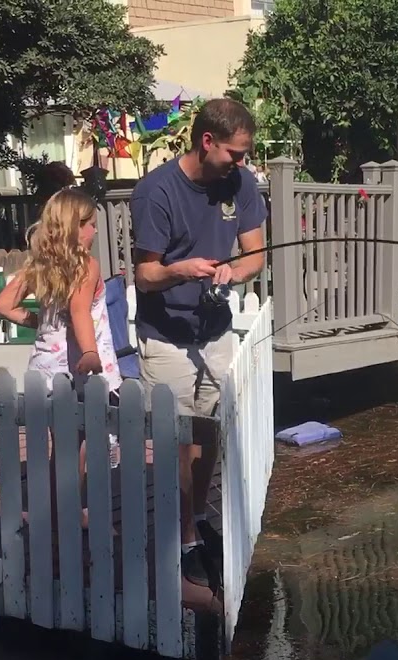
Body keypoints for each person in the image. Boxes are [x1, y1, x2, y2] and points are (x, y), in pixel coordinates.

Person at [129, 98, 267, 590]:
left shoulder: (242, 183)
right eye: (234, 154)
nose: (242, 164)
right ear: (207, 142)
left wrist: (234, 269)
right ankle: (184, 535)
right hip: (166, 336)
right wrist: (178, 271)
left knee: (208, 434)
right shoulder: (156, 192)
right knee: (175, 442)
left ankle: (196, 518)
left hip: (215, 332)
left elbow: (257, 256)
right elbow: (144, 276)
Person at [0, 187, 123, 527]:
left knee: (62, 447)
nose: (95, 231)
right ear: (74, 226)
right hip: (79, 367)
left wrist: (38, 322)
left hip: (46, 370)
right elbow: (81, 311)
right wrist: (92, 352)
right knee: (78, 446)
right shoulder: (86, 265)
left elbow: (3, 305)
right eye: (91, 224)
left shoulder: (41, 264)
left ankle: (56, 511)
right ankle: (63, 513)